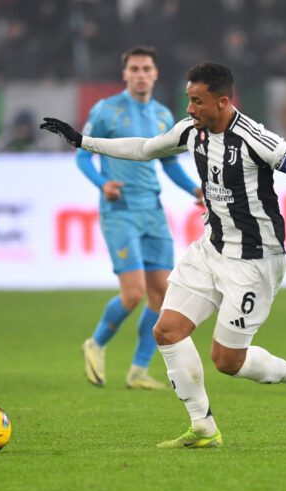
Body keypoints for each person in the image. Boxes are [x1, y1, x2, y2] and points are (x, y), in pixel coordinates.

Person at [41, 62, 286, 449]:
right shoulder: (191, 131)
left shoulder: (257, 139)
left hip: (255, 260)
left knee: (227, 361)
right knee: (167, 330)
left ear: (222, 102)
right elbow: (145, 149)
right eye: (188, 100)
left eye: (197, 101)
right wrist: (83, 141)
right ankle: (203, 427)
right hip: (211, 248)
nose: (190, 109)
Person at [76, 46, 203, 391]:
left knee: (161, 296)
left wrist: (194, 190)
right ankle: (96, 344)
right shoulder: (106, 111)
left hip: (153, 211)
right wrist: (103, 184)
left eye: (147, 68)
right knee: (133, 294)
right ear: (125, 74)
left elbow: (169, 163)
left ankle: (138, 370)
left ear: (155, 73)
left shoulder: (162, 115)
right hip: (120, 211)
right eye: (134, 69)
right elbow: (83, 156)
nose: (141, 74)